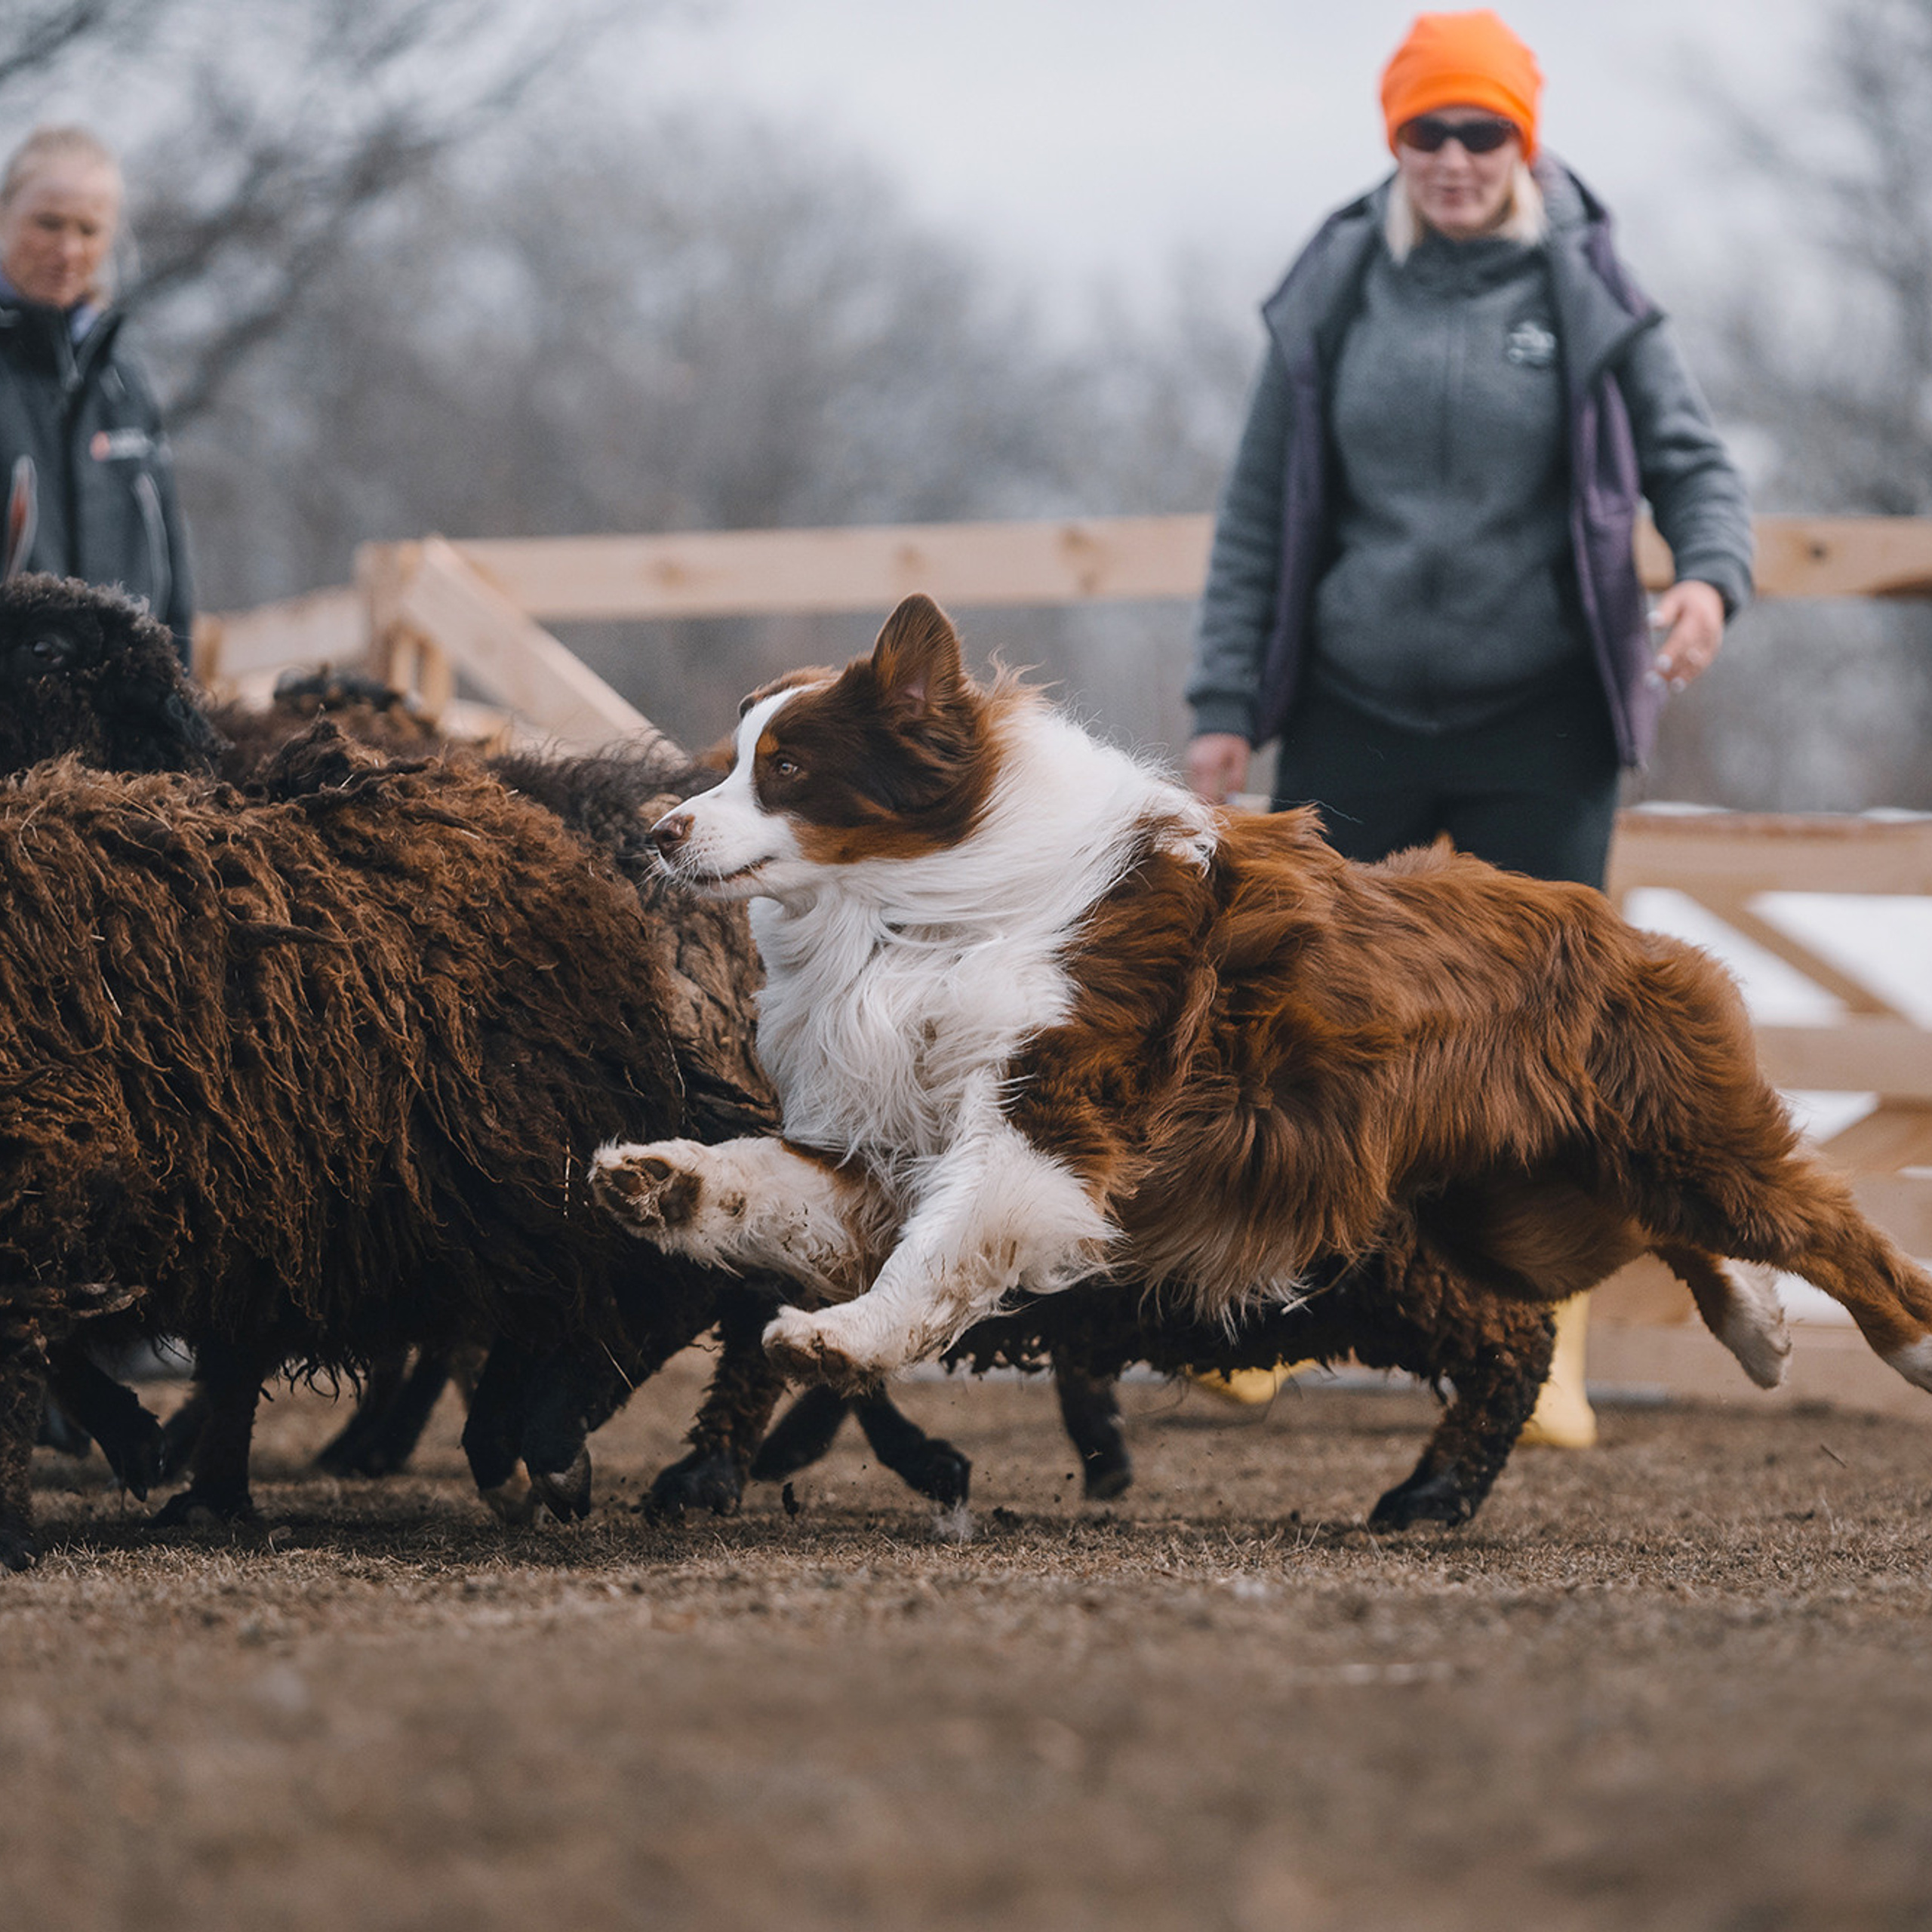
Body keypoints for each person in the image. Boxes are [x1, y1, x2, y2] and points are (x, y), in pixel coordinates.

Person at [1183, 10, 1754, 1445]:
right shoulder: (1335, 291)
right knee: (1292, 1026)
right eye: (1424, 131)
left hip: (1541, 716)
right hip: (1355, 704)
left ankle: (1540, 1343)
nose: (1451, 157)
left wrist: (1708, 582)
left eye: (1479, 130)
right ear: (1397, 143)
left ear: (1524, 140)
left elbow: (1697, 468)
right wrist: (1222, 713)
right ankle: (1271, 1317)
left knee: (1561, 1043)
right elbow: (1258, 519)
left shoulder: (1587, 289)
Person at [0, 125, 193, 662]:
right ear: (3, 214)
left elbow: (175, 582)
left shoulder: (126, 381)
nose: (67, 249)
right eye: (48, 223)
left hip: (118, 711)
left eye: (88, 229)